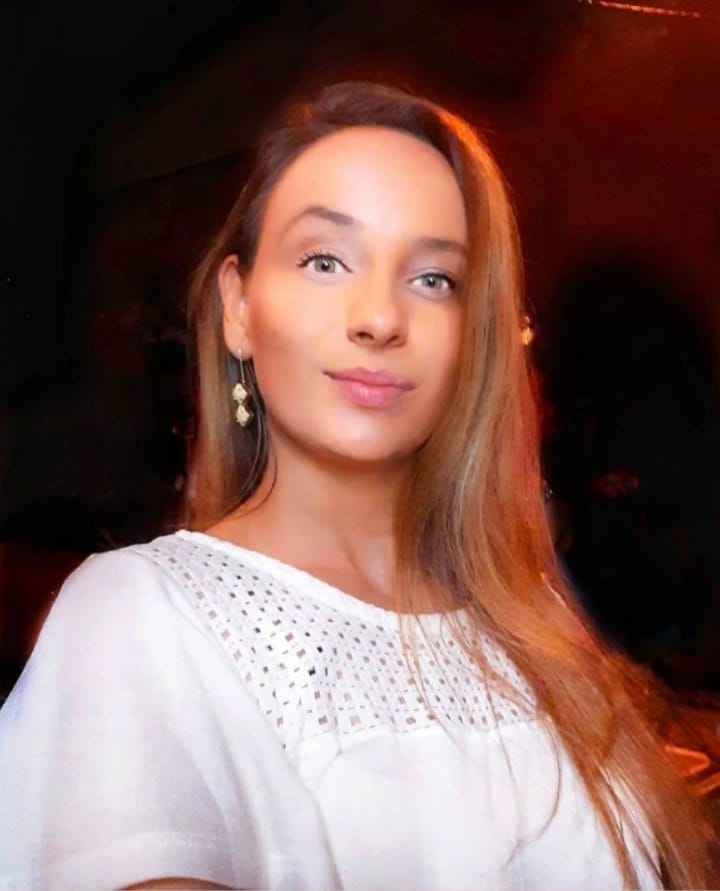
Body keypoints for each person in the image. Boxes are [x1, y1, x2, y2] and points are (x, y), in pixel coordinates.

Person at [0, 81, 716, 891]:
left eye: (434, 278)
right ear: (239, 307)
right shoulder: (141, 615)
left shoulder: (528, 626)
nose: (379, 318)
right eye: (325, 260)